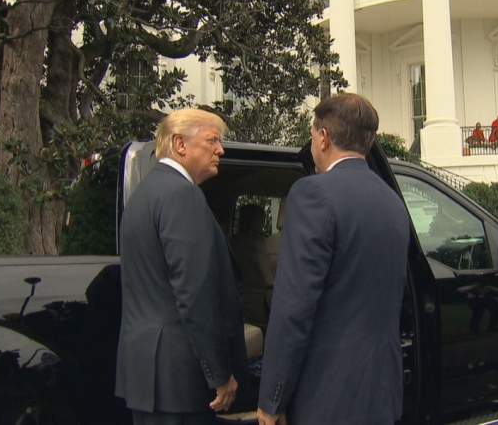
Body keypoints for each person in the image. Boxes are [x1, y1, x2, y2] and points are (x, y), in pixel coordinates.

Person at [256, 93, 410, 425]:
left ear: (323, 138)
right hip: (382, 394)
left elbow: (293, 307)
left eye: (312, 135)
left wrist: (273, 398)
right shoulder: (393, 201)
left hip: (326, 399)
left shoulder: (313, 193)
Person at [116, 109, 249, 425]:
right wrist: (219, 374)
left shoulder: (144, 194)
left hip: (147, 379)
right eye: (212, 140)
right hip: (179, 380)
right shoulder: (183, 195)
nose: (221, 149)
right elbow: (195, 295)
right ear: (180, 144)